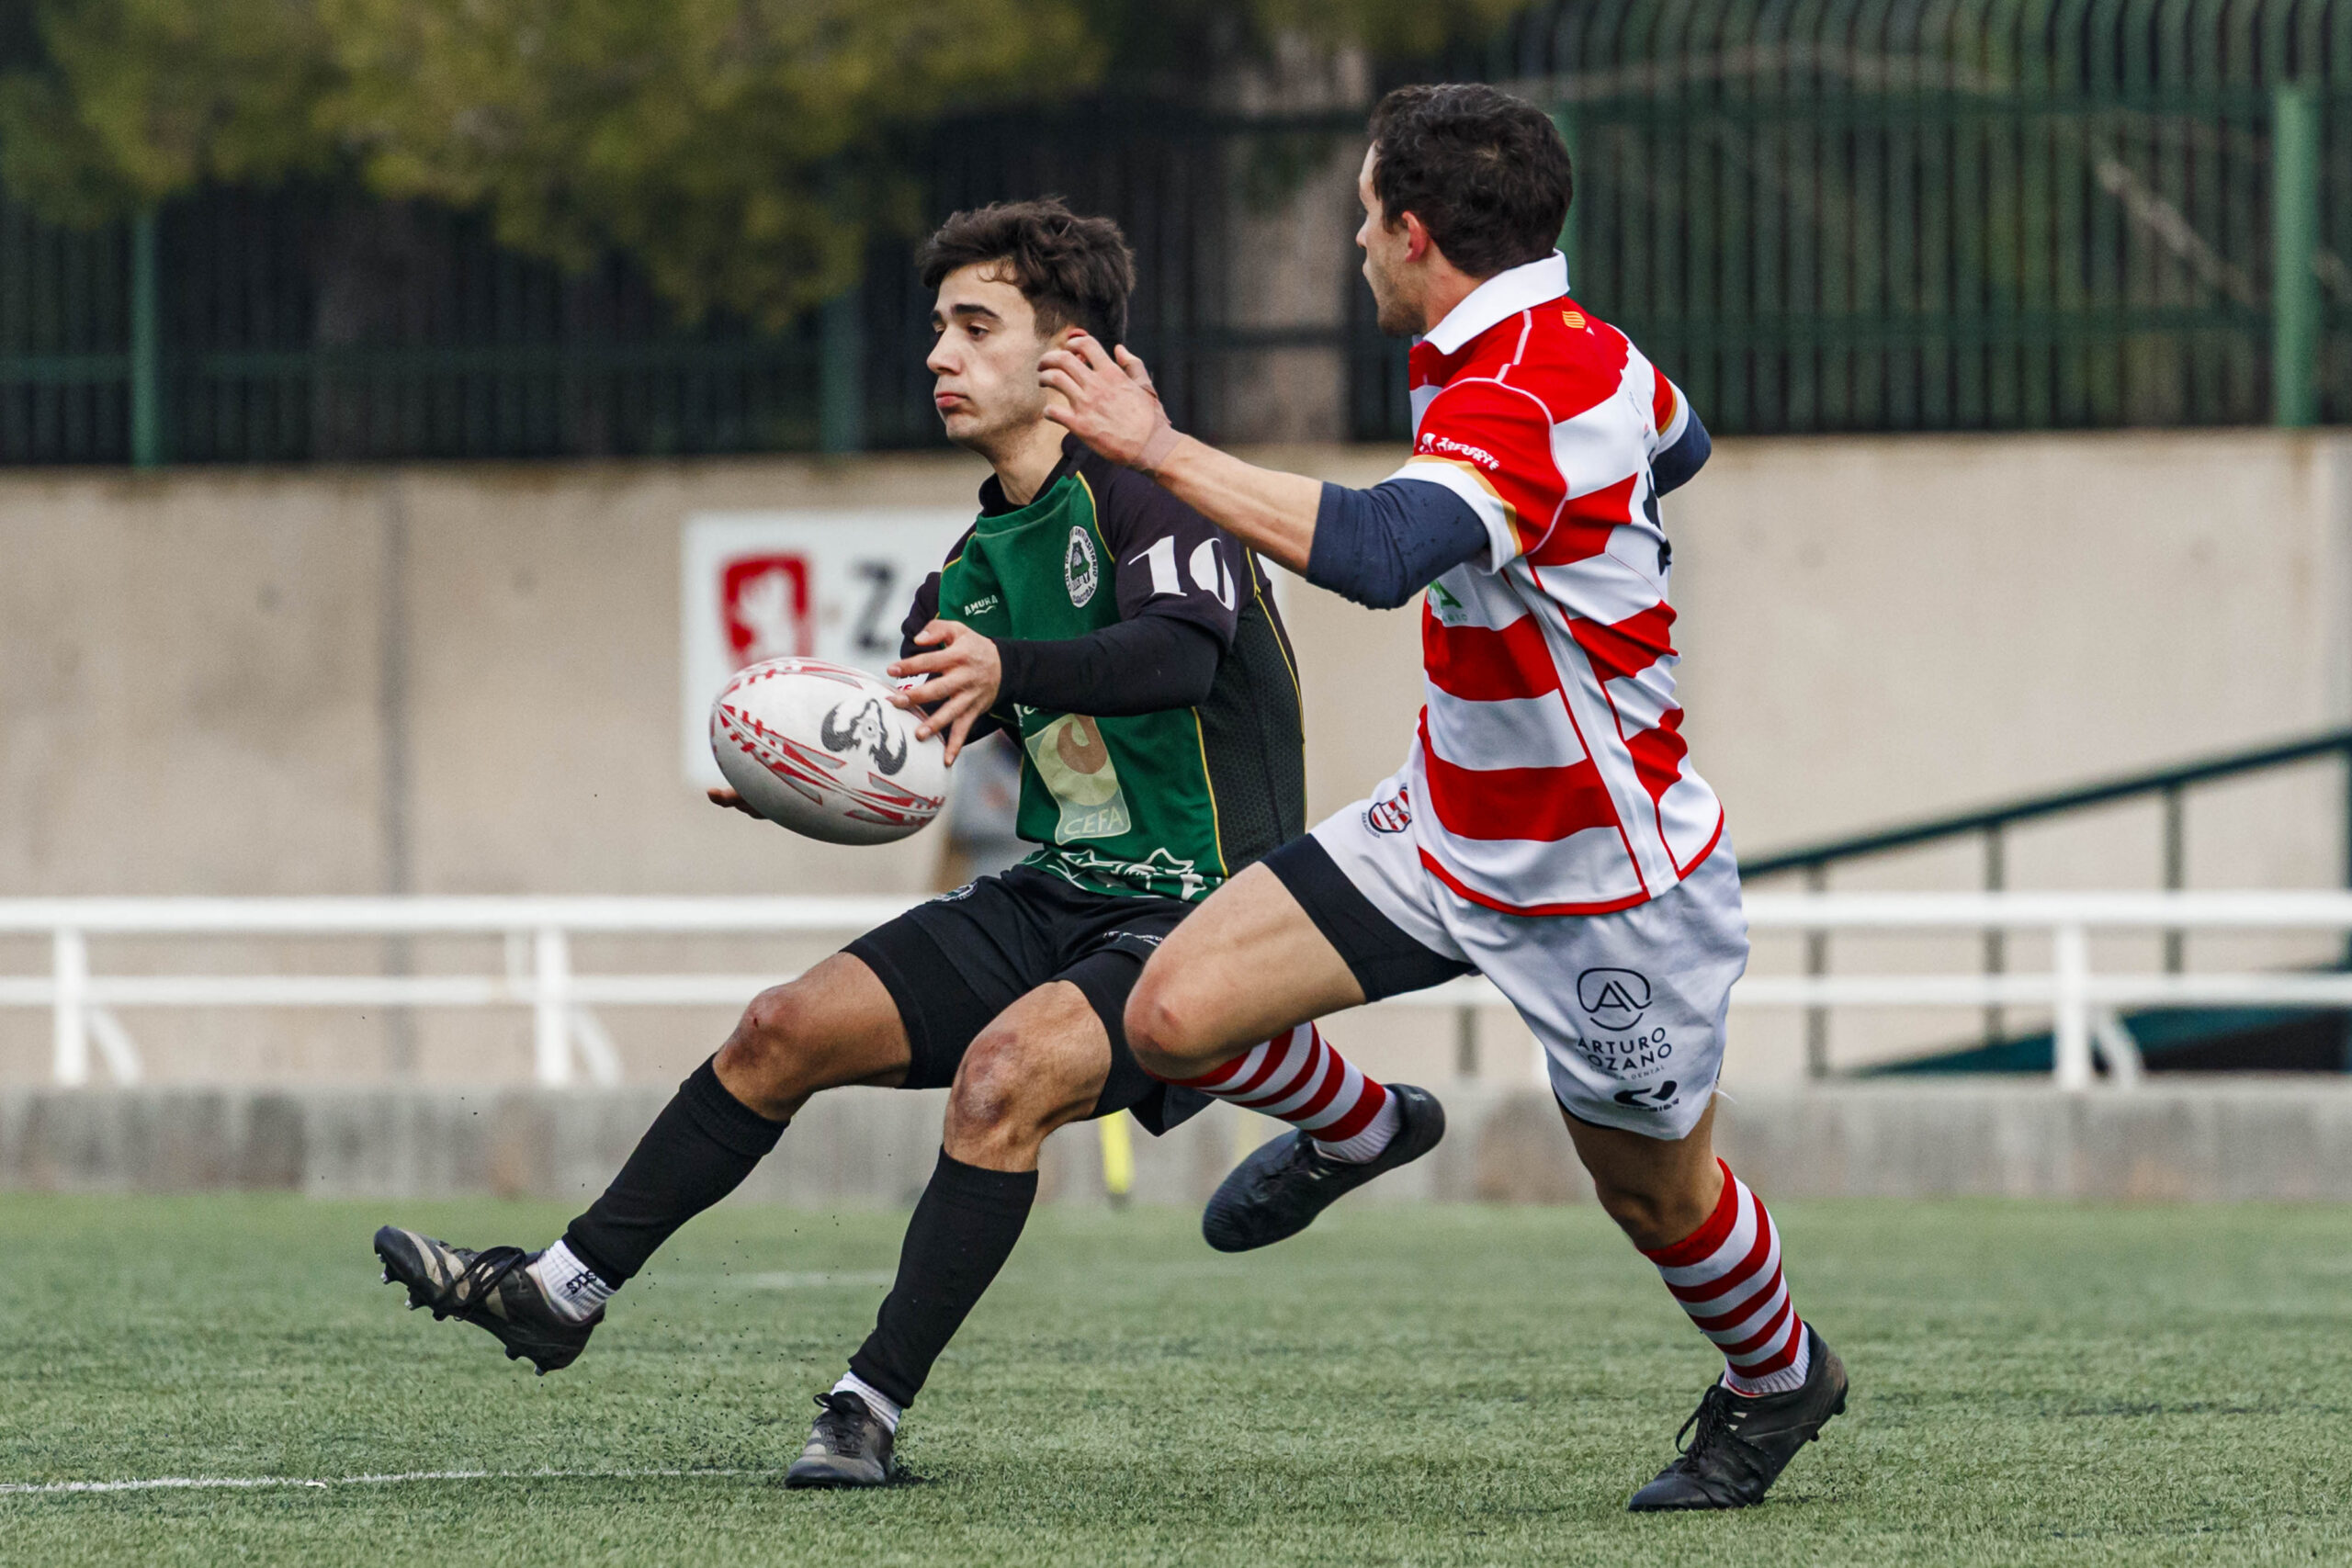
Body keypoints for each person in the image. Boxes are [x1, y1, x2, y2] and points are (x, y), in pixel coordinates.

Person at [370, 198, 1442, 1488]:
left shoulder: (1163, 496)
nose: (938, 354)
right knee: (779, 1029)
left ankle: (865, 1405)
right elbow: (922, 750)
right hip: (1058, 891)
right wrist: (805, 774)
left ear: (1068, 358)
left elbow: (1172, 660)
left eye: (974, 327)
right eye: (937, 327)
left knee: (1003, 1079)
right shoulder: (974, 564)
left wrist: (1010, 667)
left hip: (1204, 916)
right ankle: (563, 1286)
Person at [1038, 85, 1847, 1512]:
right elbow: (1679, 443)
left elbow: (1376, 549)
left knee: (1659, 1201)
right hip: (1446, 821)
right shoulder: (1529, 345)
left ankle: (1782, 1381)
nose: (1353, 240)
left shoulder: (1520, 387)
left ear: (1415, 236)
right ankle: (1361, 1124)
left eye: (1361, 216)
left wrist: (1156, 447)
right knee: (1167, 1015)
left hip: (1608, 886)